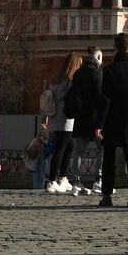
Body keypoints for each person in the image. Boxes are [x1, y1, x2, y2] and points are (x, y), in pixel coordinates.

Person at [97, 32, 128, 207]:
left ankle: (107, 195)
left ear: (115, 47)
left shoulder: (110, 69)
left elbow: (105, 99)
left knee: (109, 158)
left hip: (113, 120)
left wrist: (99, 124)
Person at [68, 46, 107, 197]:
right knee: (102, 148)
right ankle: (99, 179)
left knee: (79, 152)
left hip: (81, 117)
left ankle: (76, 182)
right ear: (98, 57)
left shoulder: (78, 73)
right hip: (96, 118)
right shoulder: (98, 74)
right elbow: (100, 97)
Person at [43, 55, 80, 194]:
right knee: (61, 149)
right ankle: (52, 180)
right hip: (65, 120)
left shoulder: (58, 81)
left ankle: (63, 178)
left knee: (69, 146)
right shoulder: (69, 82)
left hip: (56, 119)